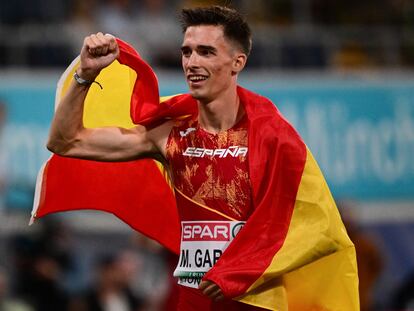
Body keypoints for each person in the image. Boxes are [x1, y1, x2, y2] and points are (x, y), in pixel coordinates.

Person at [46, 5, 358, 311]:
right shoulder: (170, 134)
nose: (192, 62)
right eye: (187, 52)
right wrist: (85, 76)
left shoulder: (272, 137)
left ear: (237, 62)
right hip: (193, 298)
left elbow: (309, 224)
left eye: (206, 52)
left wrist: (234, 272)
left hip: (254, 300)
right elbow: (65, 141)